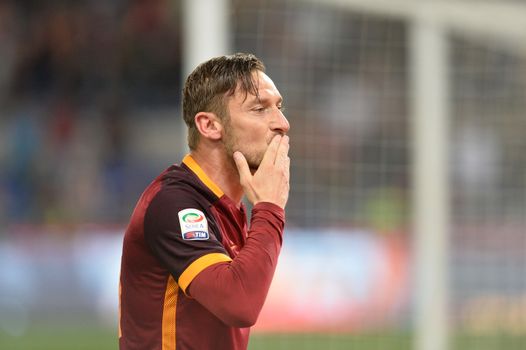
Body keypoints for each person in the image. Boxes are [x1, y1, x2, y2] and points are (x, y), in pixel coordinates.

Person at [118, 53, 290, 350]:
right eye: (259, 109)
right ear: (209, 126)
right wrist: (270, 210)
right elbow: (240, 304)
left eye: (279, 107)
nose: (282, 124)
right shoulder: (173, 204)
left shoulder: (228, 206)